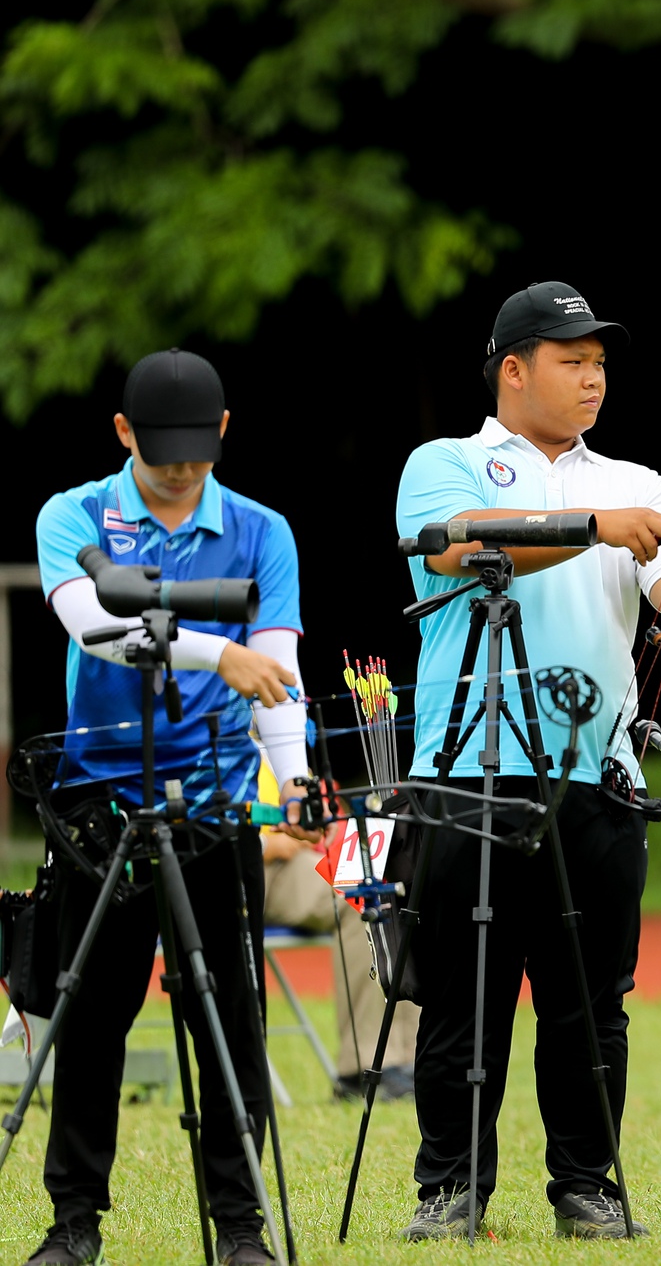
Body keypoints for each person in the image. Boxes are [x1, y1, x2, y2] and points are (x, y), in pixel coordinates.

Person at [393, 282, 661, 1241]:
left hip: (599, 776)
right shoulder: (446, 461)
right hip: (467, 768)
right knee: (463, 998)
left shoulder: (636, 481)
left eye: (600, 363)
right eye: (571, 361)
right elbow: (454, 550)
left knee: (590, 1005)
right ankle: (450, 1188)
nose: (593, 379)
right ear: (514, 369)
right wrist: (594, 527)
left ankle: (587, 1186)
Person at [30, 349, 305, 1266]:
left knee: (230, 1016)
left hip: (219, 804)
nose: (182, 468)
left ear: (223, 432)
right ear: (123, 435)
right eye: (161, 451)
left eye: (197, 448)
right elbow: (96, 631)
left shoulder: (265, 529)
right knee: (92, 1014)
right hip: (98, 803)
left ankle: (241, 1230)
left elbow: (277, 666)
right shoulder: (72, 514)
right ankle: (74, 1226)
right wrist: (215, 655)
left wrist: (293, 775)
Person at [260, 813, 420, 1099]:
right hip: (255, 864)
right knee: (360, 898)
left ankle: (411, 1057)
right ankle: (362, 1066)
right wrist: (262, 844)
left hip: (301, 851)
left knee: (393, 883)